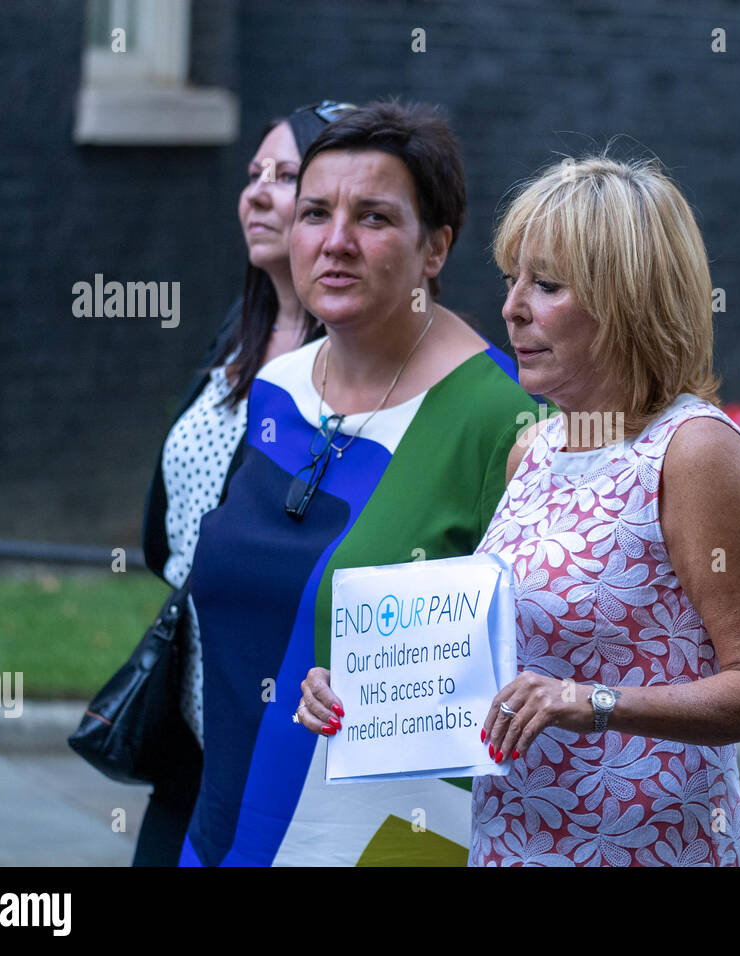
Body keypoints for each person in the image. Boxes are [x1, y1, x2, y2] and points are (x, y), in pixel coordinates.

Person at [302, 154, 740, 866]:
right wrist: (358, 691)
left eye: (548, 284)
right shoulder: (531, 449)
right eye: (512, 280)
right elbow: (495, 666)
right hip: (511, 847)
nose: (512, 308)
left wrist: (594, 702)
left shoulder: (694, 452)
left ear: (628, 299)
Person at [182, 100, 540, 866]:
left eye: (373, 218)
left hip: (380, 843)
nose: (335, 242)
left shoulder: (500, 420)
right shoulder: (274, 391)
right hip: (223, 825)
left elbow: (536, 663)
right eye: (315, 213)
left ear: (434, 247)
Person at [132, 100, 354, 866]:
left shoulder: (356, 365)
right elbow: (168, 524)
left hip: (277, 721)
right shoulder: (240, 332)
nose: (256, 192)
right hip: (191, 715)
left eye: (285, 176)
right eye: (253, 174)